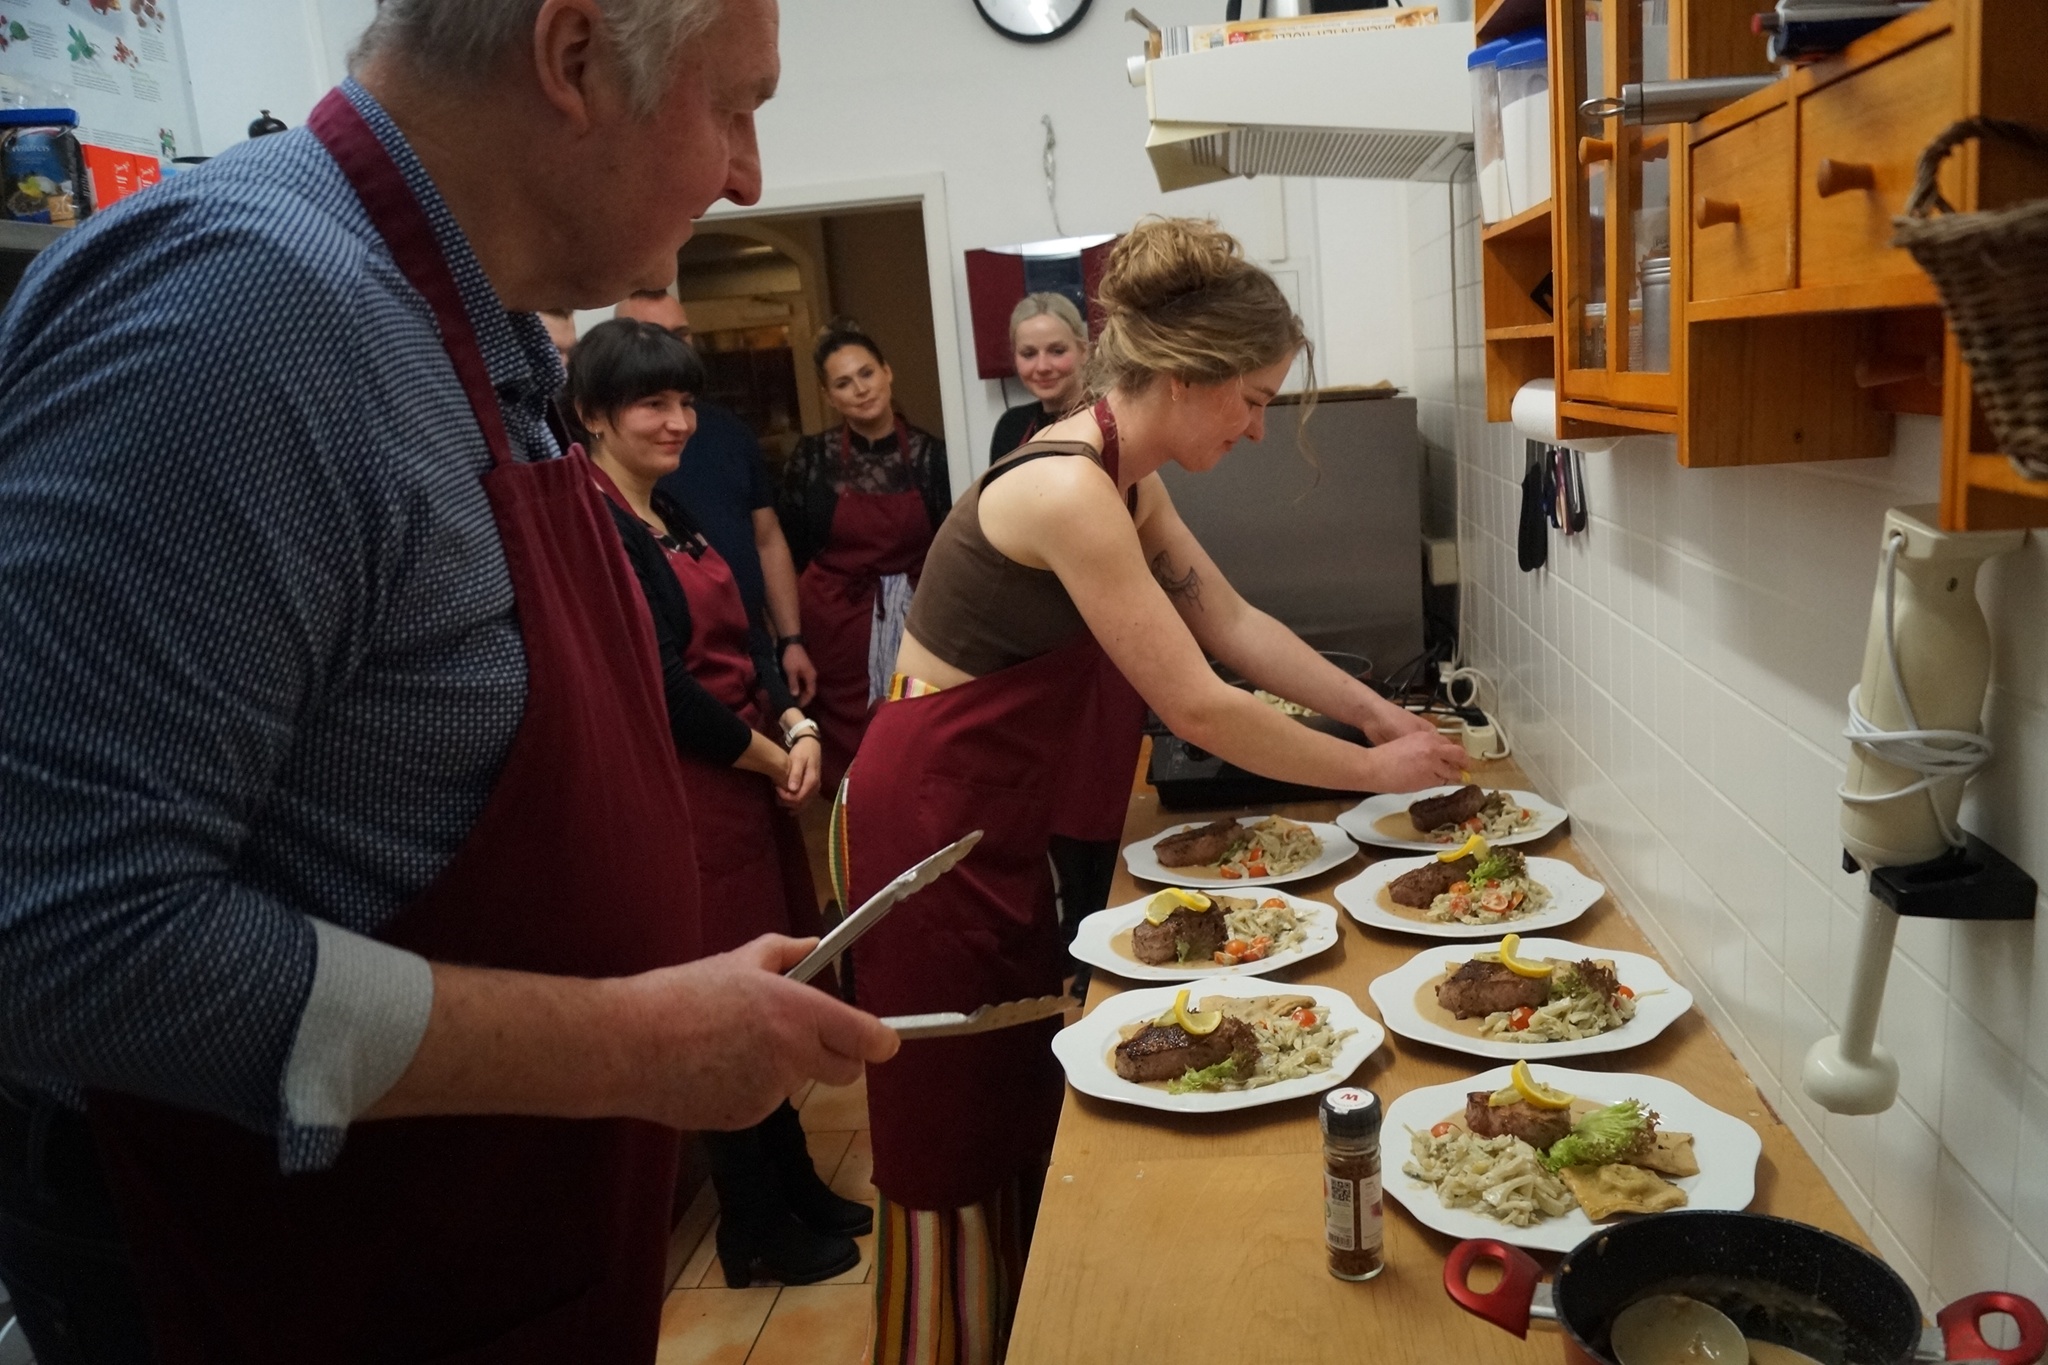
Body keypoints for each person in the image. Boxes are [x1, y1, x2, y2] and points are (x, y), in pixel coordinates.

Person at [0, 2, 898, 1361]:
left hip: (481, 1253)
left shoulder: (484, 335)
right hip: (290, 1277)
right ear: (573, 57)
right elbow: (63, 934)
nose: (747, 175)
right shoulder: (244, 313)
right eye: (734, 107)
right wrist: (629, 1043)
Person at [839, 218, 1467, 1365]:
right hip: (927, 819)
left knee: (1009, 1087)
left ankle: (1014, 1323)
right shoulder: (1067, 488)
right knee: (947, 1117)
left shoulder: (1120, 479)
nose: (1257, 426)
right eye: (1253, 399)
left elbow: (1229, 623)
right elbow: (1201, 706)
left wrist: (1378, 714)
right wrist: (1372, 773)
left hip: (992, 808)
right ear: (1184, 379)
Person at [570, 319, 871, 1287]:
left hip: (746, 788)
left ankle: (792, 1179)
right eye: (652, 404)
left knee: (770, 988)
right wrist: (771, 756)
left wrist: (798, 723)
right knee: (725, 1009)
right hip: (691, 802)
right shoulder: (601, 529)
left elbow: (745, 646)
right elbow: (664, 690)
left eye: (685, 402)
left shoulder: (672, 510)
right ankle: (753, 1222)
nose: (678, 421)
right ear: (593, 416)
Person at [618, 288, 818, 704]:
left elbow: (767, 539)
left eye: (681, 334)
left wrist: (791, 638)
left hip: (752, 650)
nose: (673, 348)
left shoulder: (730, 432)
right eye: (656, 336)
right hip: (676, 668)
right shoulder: (615, 457)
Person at [777, 320, 951, 788]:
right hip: (833, 631)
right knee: (844, 761)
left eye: (867, 373)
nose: (860, 389)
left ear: (887, 373)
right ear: (829, 396)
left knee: (912, 741)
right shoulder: (813, 458)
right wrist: (790, 637)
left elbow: (949, 550)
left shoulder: (933, 456)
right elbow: (789, 549)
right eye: (843, 383)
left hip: (912, 625)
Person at [989, 291, 1089, 462]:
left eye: (1057, 351)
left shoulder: (1111, 422)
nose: (1042, 367)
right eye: (1029, 354)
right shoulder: (1012, 427)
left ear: (1083, 351)